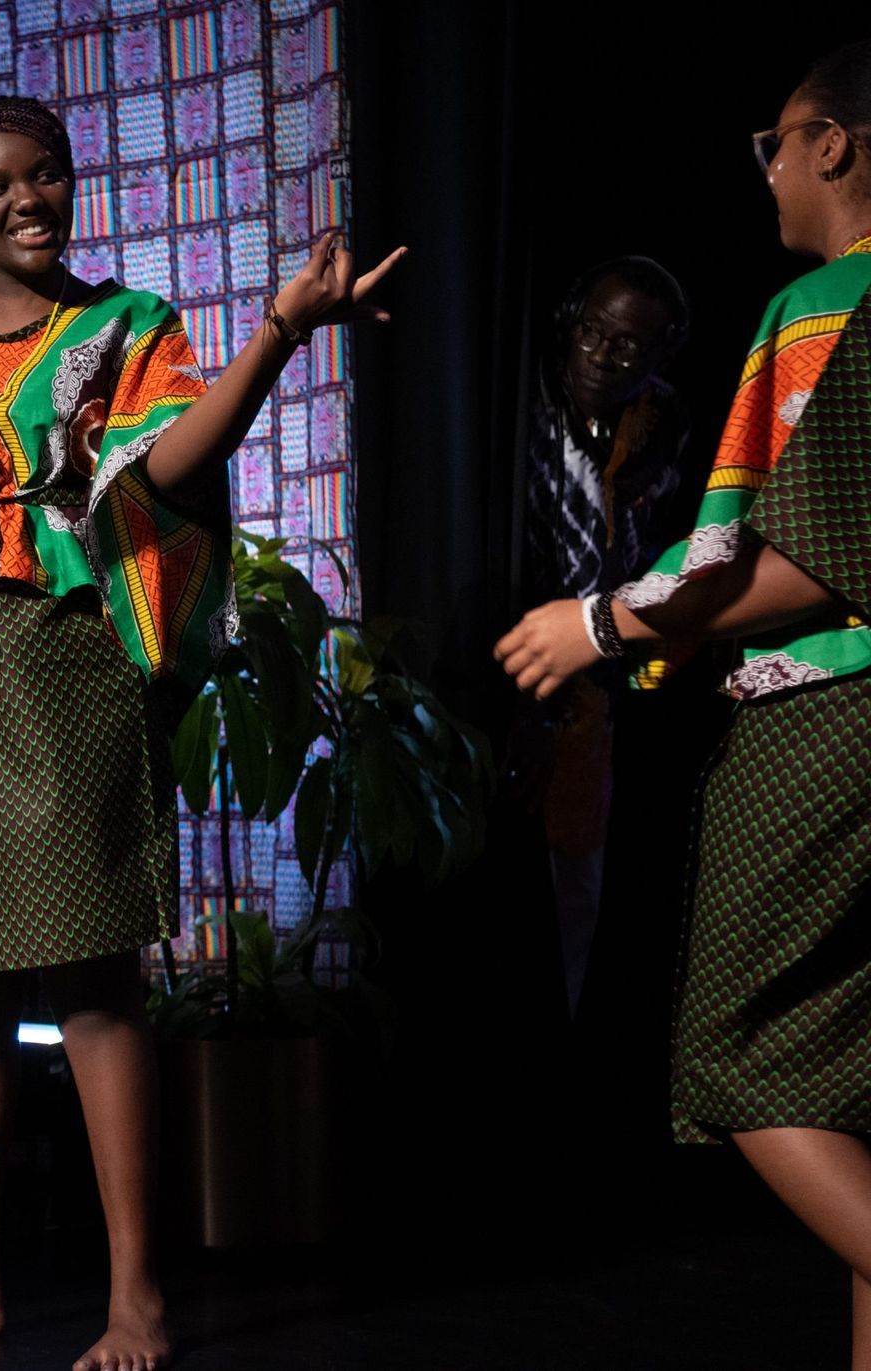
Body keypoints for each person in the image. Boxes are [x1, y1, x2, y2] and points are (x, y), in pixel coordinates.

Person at [0, 96, 401, 1371]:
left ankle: (138, 1297)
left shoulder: (129, 328)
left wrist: (281, 333)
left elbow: (175, 465)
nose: (28, 199)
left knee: (92, 983)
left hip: (63, 667)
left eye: (48, 177)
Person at [497, 38, 871, 1364]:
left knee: (738, 1054)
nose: (767, 169)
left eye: (778, 140)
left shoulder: (830, 306)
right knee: (848, 1082)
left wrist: (600, 620)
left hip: (828, 706)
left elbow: (809, 557)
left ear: (832, 143)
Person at [511, 256, 693, 1017]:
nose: (600, 354)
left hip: (612, 669)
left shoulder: (663, 423)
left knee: (586, 881)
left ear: (656, 355)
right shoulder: (527, 401)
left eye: (626, 344)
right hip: (520, 658)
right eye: (592, 331)